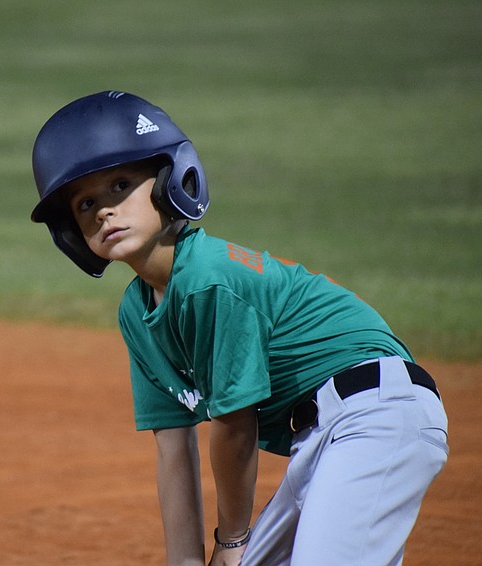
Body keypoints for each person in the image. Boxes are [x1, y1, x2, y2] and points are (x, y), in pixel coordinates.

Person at [29, 90, 449, 566]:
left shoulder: (206, 280)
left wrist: (230, 541)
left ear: (172, 180)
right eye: (85, 204)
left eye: (120, 185)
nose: (104, 210)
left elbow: (234, 425)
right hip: (320, 442)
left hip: (376, 416)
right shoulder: (137, 312)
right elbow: (172, 447)